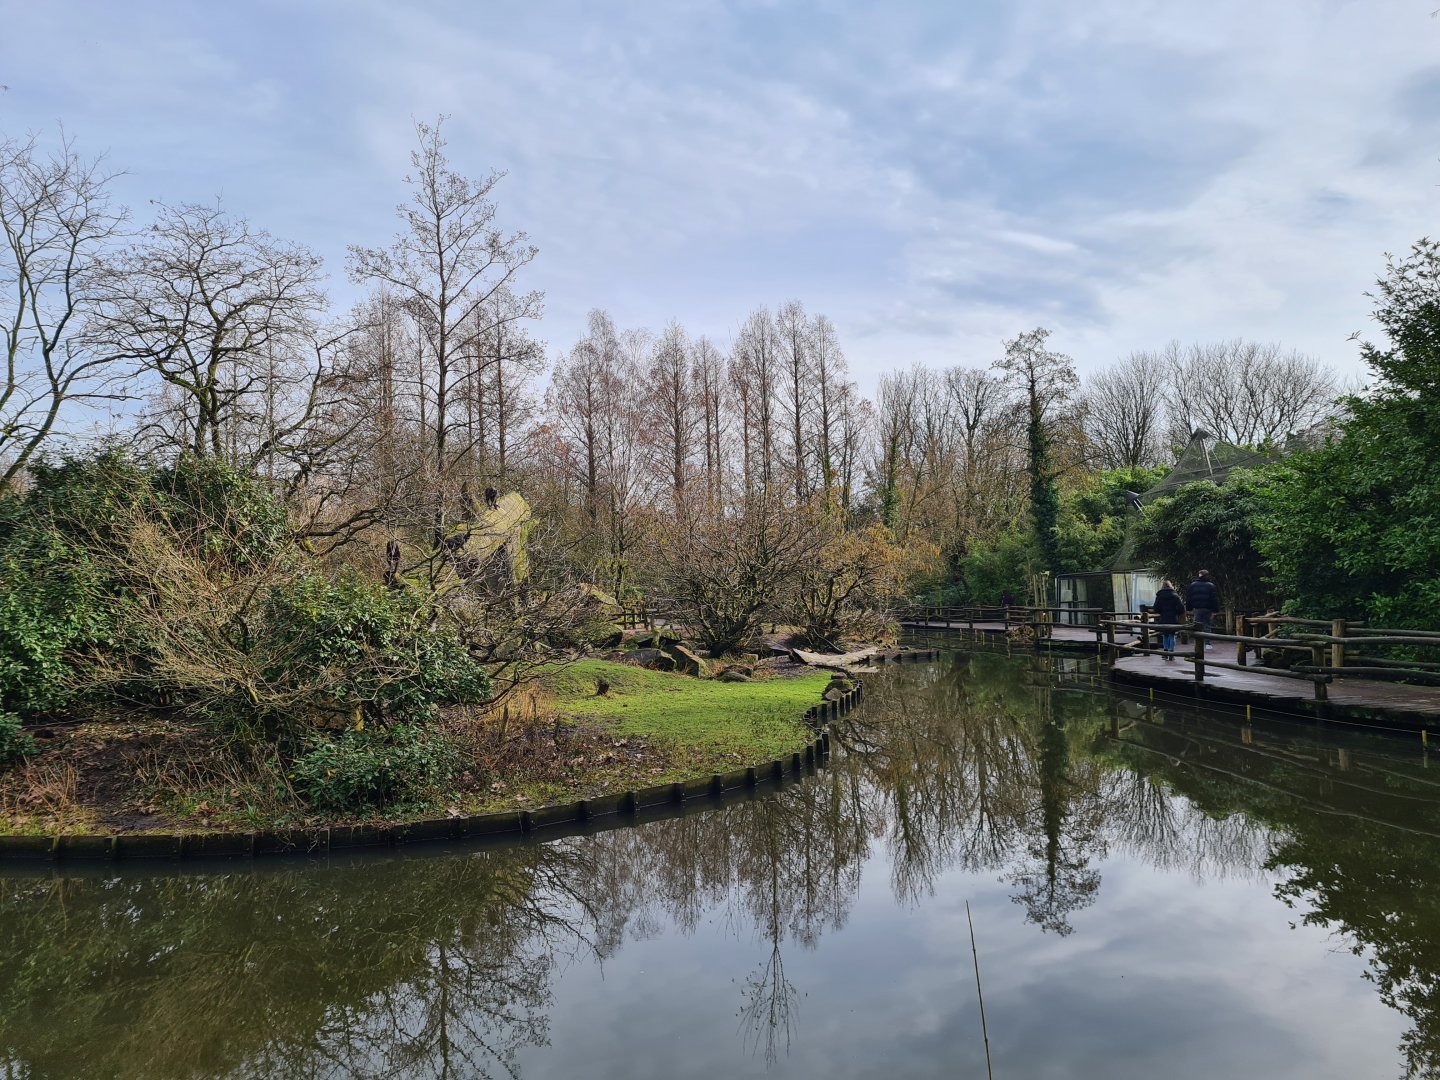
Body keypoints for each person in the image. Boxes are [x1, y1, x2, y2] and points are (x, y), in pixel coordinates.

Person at [1185, 569, 1220, 649]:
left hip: (1197, 608)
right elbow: (1214, 599)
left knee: (1197, 625)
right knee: (1207, 625)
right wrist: (1215, 610)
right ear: (1207, 575)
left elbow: (1189, 598)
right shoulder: (1211, 585)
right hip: (1208, 608)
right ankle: (1208, 643)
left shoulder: (1193, 585)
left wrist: (1189, 608)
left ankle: (1198, 643)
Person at [1151, 579, 1186, 659]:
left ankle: (1165, 652)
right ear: (1170, 586)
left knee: (1165, 635)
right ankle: (1171, 652)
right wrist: (1176, 612)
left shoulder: (1159, 595)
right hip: (1173, 618)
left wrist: (1161, 611)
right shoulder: (1175, 595)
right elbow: (1181, 608)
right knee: (1172, 635)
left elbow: (1155, 608)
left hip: (1163, 617)